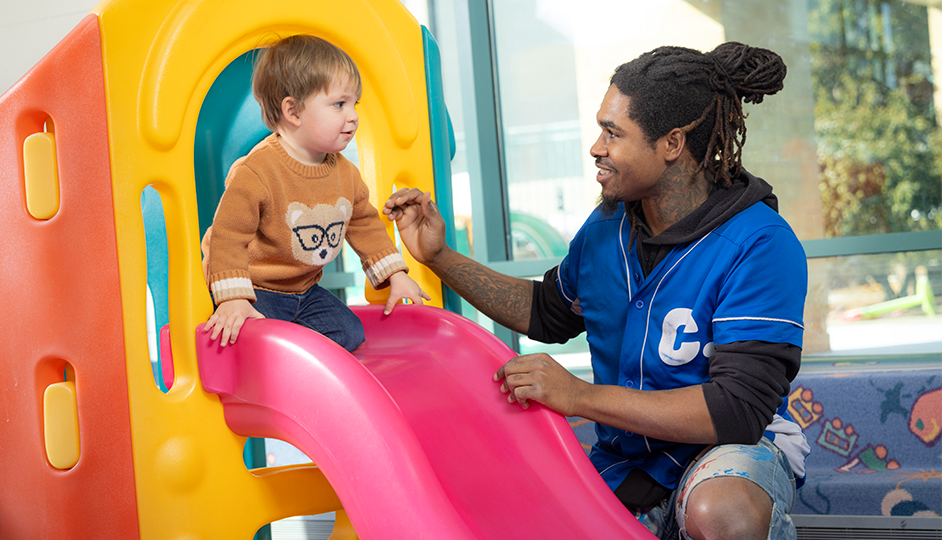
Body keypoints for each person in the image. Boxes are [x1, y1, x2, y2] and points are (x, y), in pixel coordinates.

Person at [384, 42, 809, 540]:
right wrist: (437, 256)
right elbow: (547, 311)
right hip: (630, 465)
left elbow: (737, 411)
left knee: (720, 511)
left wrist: (579, 396)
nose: (596, 148)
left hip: (730, 456)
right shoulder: (606, 226)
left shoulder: (760, 243)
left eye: (613, 133)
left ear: (672, 143)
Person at [202, 34, 427, 351]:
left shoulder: (345, 174)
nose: (353, 116)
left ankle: (295, 359)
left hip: (305, 291)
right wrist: (234, 297)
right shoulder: (257, 171)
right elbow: (227, 235)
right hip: (255, 288)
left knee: (349, 333)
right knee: (254, 343)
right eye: (338, 104)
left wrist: (395, 275)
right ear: (292, 112)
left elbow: (364, 224)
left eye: (353, 104)